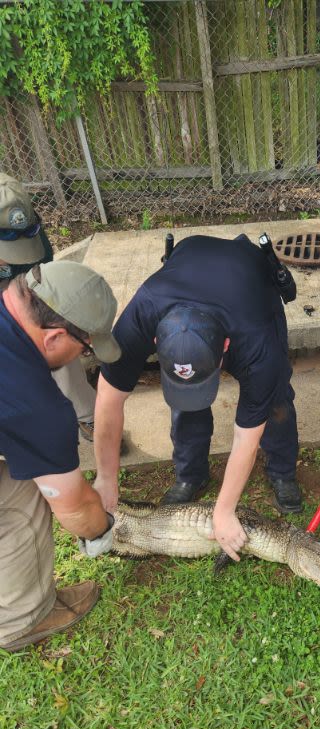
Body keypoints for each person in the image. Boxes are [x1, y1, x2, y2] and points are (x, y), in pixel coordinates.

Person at [93, 233, 302, 561]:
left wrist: (225, 510)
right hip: (190, 260)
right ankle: (191, 474)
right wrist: (106, 477)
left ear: (226, 350)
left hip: (251, 286)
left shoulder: (257, 343)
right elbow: (108, 398)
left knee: (274, 399)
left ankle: (282, 470)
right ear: (155, 341)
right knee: (184, 400)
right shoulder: (142, 312)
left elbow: (246, 434)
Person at [0, 259, 122, 651]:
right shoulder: (37, 408)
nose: (82, 357)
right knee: (24, 495)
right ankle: (23, 620)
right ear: (53, 337)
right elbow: (75, 512)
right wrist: (99, 527)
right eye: (85, 348)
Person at [0, 172, 98, 443]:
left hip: (17, 288)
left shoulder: (22, 221)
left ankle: (86, 414)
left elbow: (39, 274)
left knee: (54, 329)